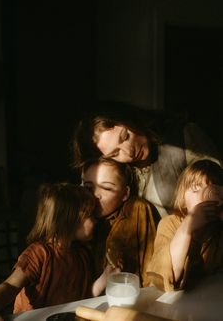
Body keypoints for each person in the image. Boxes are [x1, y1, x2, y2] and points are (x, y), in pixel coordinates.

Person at [0, 182, 119, 320]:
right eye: (90, 215)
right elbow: (10, 285)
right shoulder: (39, 254)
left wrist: (105, 278)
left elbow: (84, 297)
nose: (96, 220)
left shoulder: (81, 255)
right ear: (69, 219)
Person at [72, 101, 222, 217]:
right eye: (115, 153)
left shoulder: (183, 138)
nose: (129, 152)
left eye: (125, 137)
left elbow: (216, 188)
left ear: (130, 119)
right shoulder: (118, 174)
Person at [81, 157, 160, 288]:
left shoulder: (136, 208)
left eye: (106, 188)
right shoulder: (80, 220)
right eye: (89, 188)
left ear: (125, 193)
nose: (95, 194)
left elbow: (149, 273)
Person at [147, 159, 223, 292]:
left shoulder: (218, 228)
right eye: (196, 189)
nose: (203, 197)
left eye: (213, 191)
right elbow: (166, 279)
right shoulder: (170, 224)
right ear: (183, 199)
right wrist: (186, 228)